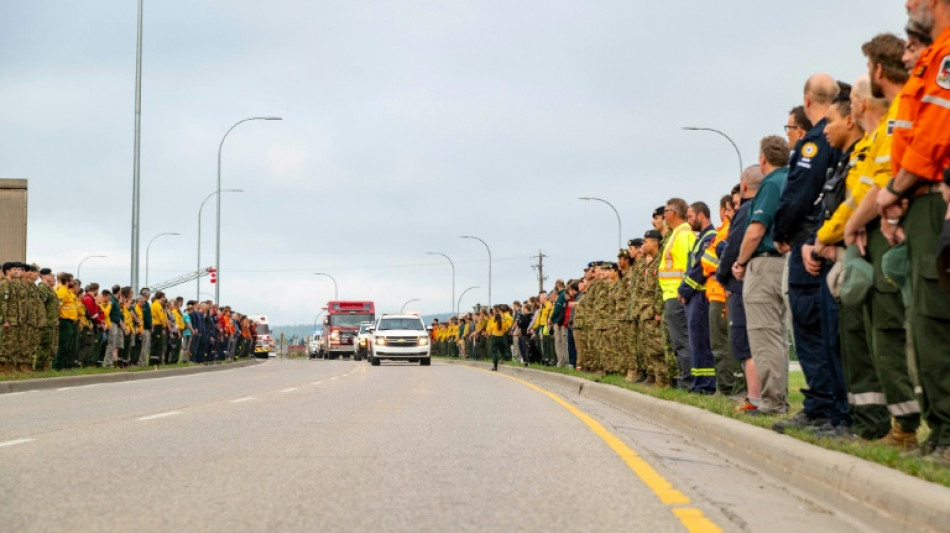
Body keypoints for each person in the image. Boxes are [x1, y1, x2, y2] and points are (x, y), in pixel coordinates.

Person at [876, 0, 950, 463]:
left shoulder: (944, 58)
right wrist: (899, 195)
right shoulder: (931, 60)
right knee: (924, 322)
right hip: (916, 200)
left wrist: (895, 190)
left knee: (935, 321)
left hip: (930, 199)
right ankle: (938, 430)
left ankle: (946, 433)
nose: (908, 4)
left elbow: (936, 134)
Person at [772, 74, 848, 434]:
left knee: (809, 324)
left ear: (807, 100)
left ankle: (821, 405)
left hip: (809, 244)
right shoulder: (837, 138)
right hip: (823, 239)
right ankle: (828, 404)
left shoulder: (814, 143)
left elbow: (799, 194)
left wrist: (782, 233)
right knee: (823, 326)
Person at [733, 136, 791, 415]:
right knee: (779, 335)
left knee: (763, 335)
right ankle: (778, 397)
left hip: (765, 264)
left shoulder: (771, 183)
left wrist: (741, 262)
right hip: (785, 263)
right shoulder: (793, 178)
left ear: (763, 159)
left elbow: (756, 229)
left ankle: (771, 402)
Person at [719, 166, 766, 412]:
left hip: (741, 283)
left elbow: (734, 246)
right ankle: (764, 397)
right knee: (765, 340)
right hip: (761, 279)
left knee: (747, 343)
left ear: (744, 187)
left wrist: (723, 273)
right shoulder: (767, 205)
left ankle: (754, 399)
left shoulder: (746, 211)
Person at [701, 195, 745, 396]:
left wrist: (713, 256)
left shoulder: (728, 231)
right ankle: (725, 386)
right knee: (718, 344)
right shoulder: (720, 233)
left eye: (730, 208)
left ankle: (728, 387)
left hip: (722, 291)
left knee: (723, 344)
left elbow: (710, 262)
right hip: (716, 292)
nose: (726, 213)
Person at [678, 202, 718, 394]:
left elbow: (700, 269)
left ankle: (705, 385)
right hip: (694, 297)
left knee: (701, 342)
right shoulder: (700, 238)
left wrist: (684, 290)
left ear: (701, 216)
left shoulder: (710, 238)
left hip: (700, 296)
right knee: (695, 342)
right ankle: (698, 384)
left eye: (690, 217)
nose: (688, 221)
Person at [659, 198, 696, 389]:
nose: (663, 215)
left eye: (665, 211)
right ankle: (685, 380)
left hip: (678, 295)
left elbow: (690, 265)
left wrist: (684, 290)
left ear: (673, 212)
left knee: (682, 342)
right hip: (672, 295)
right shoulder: (677, 234)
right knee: (678, 342)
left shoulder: (683, 234)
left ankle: (687, 382)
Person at [636, 230, 668, 386]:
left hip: (654, 311)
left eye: (646, 241)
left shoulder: (660, 260)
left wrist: (658, 310)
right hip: (647, 311)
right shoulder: (652, 263)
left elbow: (659, 287)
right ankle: (657, 379)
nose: (644, 244)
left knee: (657, 348)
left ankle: (663, 381)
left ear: (655, 243)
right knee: (650, 348)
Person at [548, 280, 570, 368]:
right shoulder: (562, 294)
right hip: (560, 321)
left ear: (557, 285)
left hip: (559, 321)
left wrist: (551, 318)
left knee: (560, 342)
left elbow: (557, 309)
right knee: (561, 342)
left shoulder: (561, 295)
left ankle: (562, 362)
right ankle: (563, 361)